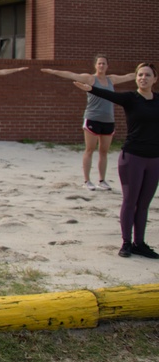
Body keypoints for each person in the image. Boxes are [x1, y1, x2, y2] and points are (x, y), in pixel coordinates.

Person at [73, 63, 159, 259]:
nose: (143, 78)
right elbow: (110, 95)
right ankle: (126, 243)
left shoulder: (158, 101)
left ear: (155, 79)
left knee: (144, 204)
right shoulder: (131, 98)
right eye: (139, 75)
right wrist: (91, 89)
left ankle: (140, 243)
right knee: (130, 201)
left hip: (154, 159)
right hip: (132, 157)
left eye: (147, 75)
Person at [42, 56, 137, 190]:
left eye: (104, 63)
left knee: (104, 151)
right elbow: (71, 75)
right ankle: (87, 181)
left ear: (107, 66)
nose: (102, 66)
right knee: (90, 149)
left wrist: (147, 68)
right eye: (99, 63)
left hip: (108, 120)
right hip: (93, 118)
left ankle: (102, 180)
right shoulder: (90, 79)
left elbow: (130, 76)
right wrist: (53, 71)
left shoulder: (111, 79)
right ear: (95, 65)